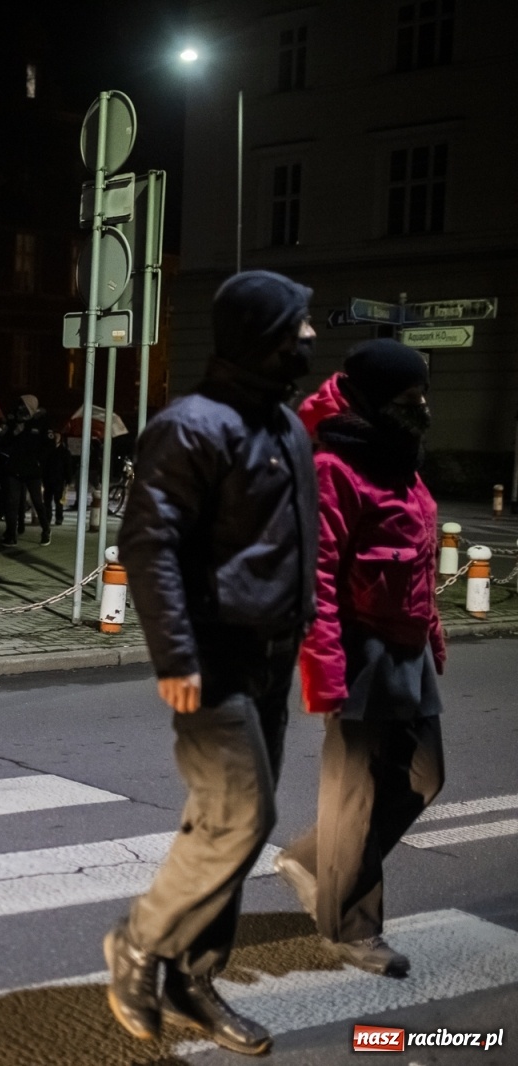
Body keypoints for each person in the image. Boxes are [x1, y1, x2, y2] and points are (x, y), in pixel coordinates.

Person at [105, 269, 319, 1057]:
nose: (311, 337)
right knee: (243, 818)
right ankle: (137, 942)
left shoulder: (285, 425)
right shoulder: (191, 426)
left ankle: (193, 978)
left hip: (272, 656)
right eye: (298, 325)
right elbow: (149, 543)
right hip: (212, 658)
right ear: (262, 335)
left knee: (223, 825)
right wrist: (175, 654)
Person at [274, 339, 446, 979]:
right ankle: (352, 927)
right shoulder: (334, 467)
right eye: (409, 397)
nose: (421, 407)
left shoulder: (398, 453)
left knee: (424, 776)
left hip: (406, 646)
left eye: (424, 395)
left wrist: (432, 630)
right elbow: (314, 580)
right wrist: (324, 671)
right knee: (359, 794)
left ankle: (313, 861)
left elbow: (418, 551)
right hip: (357, 650)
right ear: (375, 398)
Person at [0, 395, 52, 546]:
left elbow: (49, 445)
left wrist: (39, 460)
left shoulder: (41, 423)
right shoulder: (14, 422)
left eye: (24, 405)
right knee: (12, 502)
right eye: (20, 405)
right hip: (14, 468)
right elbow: (2, 442)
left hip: (32, 470)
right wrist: (14, 433)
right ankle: (11, 534)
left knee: (37, 501)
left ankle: (46, 530)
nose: (21, 408)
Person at [43, 431, 72, 526]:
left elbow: (68, 467)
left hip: (59, 479)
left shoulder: (64, 452)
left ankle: (59, 518)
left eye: (58, 436)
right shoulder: (47, 450)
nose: (56, 437)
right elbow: (44, 465)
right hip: (48, 479)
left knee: (58, 501)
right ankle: (48, 517)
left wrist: (68, 480)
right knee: (47, 500)